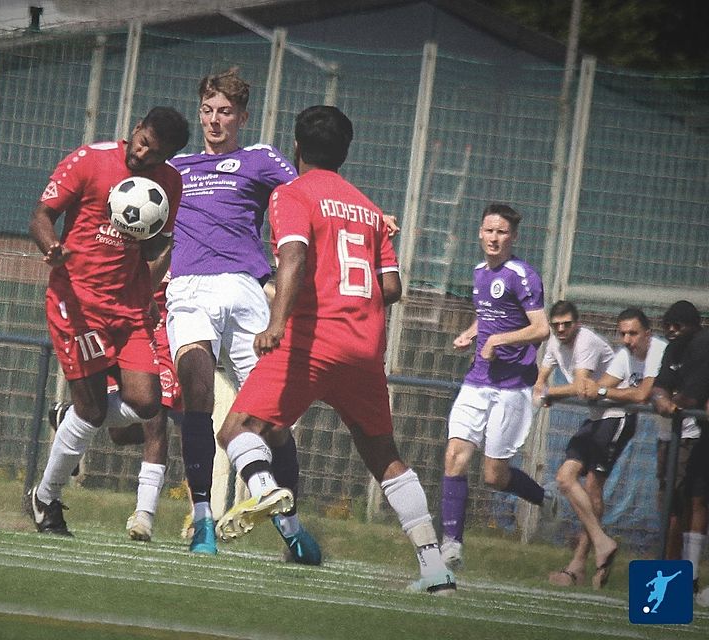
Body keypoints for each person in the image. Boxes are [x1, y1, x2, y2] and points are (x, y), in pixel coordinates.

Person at [213, 105, 455, 593]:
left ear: (296, 147)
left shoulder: (292, 193)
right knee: (384, 455)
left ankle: (261, 490)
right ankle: (434, 567)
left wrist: (276, 322)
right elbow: (391, 288)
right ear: (345, 153)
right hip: (364, 347)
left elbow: (294, 254)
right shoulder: (368, 209)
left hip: (310, 340)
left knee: (236, 430)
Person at [165, 68, 319, 561]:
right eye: (208, 110)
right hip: (189, 290)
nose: (214, 120)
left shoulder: (258, 158)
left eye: (225, 111)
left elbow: (308, 194)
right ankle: (204, 522)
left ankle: (292, 530)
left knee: (271, 421)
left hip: (248, 291)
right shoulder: (176, 168)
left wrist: (370, 216)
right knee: (198, 395)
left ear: (242, 116)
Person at [27, 106, 190, 535]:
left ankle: (69, 420)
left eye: (154, 154)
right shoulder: (90, 160)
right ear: (136, 128)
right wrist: (52, 248)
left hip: (130, 309)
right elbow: (41, 216)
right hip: (78, 303)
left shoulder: (170, 184)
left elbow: (158, 246)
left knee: (147, 404)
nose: (142, 154)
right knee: (94, 411)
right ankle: (46, 498)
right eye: (141, 142)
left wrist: (149, 291)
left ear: (168, 156)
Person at [439, 203, 553, 572]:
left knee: (494, 475)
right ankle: (451, 544)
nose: (494, 238)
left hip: (512, 387)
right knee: (455, 454)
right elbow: (487, 315)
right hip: (477, 380)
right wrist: (471, 333)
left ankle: (542, 498)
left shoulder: (522, 275)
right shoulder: (477, 273)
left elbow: (541, 328)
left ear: (513, 237)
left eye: (502, 232)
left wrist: (499, 340)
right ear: (479, 232)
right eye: (489, 230)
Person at [539, 305, 666, 590]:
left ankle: (578, 567)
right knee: (564, 478)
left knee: (595, 487)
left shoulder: (658, 350)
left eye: (633, 333)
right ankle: (601, 542)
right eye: (622, 333)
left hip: (617, 421)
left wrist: (569, 391)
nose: (627, 339)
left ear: (647, 332)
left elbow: (640, 394)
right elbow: (596, 387)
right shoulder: (624, 355)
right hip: (597, 419)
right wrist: (593, 389)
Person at [48, 273, 181, 542]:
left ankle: (144, 514)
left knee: (155, 416)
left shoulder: (181, 236)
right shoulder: (135, 238)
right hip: (123, 319)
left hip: (165, 327)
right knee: (118, 432)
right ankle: (70, 417)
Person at [651, 300, 709, 597]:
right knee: (693, 499)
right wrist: (662, 398)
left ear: (695, 325)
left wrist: (675, 401)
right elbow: (661, 385)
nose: (673, 331)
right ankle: (691, 577)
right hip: (702, 436)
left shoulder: (702, 344)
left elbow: (693, 396)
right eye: (668, 326)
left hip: (699, 432)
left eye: (679, 325)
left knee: (696, 501)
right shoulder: (672, 348)